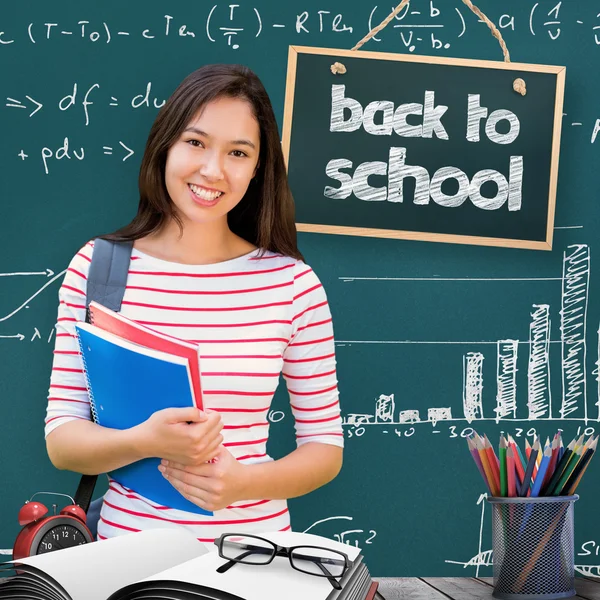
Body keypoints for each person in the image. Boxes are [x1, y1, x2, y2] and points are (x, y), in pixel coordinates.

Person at [44, 64, 343, 546]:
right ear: (165, 146)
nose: (212, 170)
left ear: (258, 167)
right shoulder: (96, 268)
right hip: (125, 565)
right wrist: (144, 441)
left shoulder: (291, 283)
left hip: (253, 564)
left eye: (238, 152)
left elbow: (325, 448)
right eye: (196, 142)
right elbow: (62, 439)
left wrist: (243, 484)